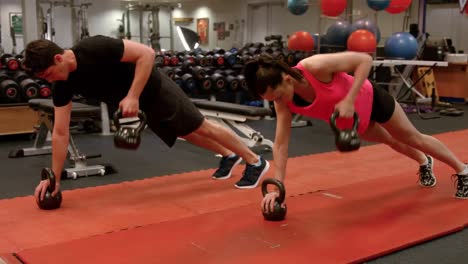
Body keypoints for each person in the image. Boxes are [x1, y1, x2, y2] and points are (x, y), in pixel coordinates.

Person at [24, 35, 270, 202]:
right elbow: (60, 132)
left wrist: (132, 96)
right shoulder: (62, 84)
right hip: (139, 104)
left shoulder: (93, 47)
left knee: (199, 125)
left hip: (153, 88)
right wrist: (54, 179)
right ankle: (230, 155)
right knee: (184, 132)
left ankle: (255, 161)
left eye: (48, 74)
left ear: (58, 59)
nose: (48, 80)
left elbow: (146, 54)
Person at [242, 52, 468, 212]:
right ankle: (423, 161)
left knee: (411, 137)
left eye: (278, 96)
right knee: (393, 142)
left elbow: (364, 60)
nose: (278, 103)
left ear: (287, 79)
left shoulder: (315, 66)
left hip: (372, 99)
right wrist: (277, 185)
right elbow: (281, 144)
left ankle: (463, 170)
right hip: (354, 121)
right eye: (273, 101)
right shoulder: (283, 103)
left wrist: (349, 99)